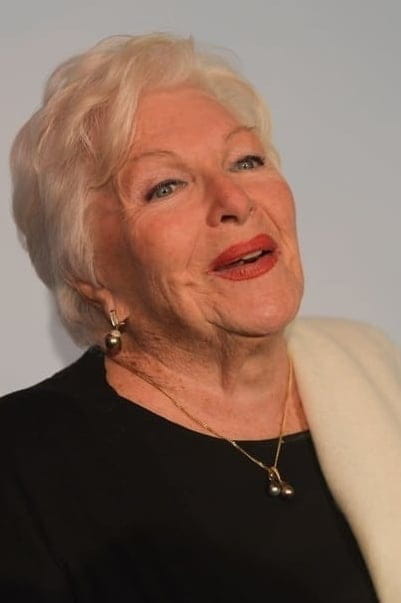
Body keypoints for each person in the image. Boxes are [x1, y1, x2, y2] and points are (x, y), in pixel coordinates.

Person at [1, 32, 400, 603]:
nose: (234, 201)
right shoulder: (20, 466)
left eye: (246, 160)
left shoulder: (373, 364)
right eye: (165, 187)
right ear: (90, 272)